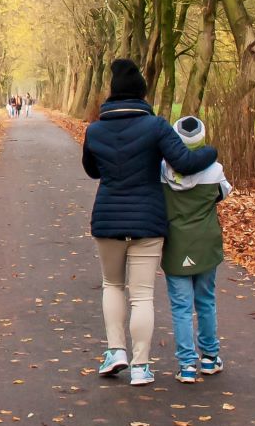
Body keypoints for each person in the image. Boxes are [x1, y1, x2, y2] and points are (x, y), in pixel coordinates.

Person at [80, 58, 218, 386]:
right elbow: (183, 163)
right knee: (142, 295)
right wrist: (211, 152)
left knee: (112, 285)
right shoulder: (156, 126)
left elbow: (92, 170)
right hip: (148, 220)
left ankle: (116, 352)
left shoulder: (95, 129)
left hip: (108, 219)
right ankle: (141, 367)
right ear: (142, 94)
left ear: (112, 94)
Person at [160, 115, 230, 383]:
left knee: (180, 306)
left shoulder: (162, 171)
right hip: (206, 243)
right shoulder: (215, 170)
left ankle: (187, 364)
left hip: (177, 243)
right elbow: (223, 194)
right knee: (206, 300)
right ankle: (211, 357)